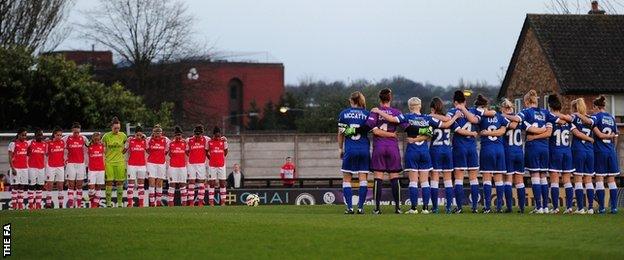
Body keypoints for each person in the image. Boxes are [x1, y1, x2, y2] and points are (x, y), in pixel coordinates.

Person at [396, 97, 459, 214]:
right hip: (447, 151)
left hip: (434, 151)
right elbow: (449, 124)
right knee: (447, 181)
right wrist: (455, 117)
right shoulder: (445, 119)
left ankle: (431, 208)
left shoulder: (429, 117)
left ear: (432, 108)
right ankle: (446, 208)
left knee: (427, 180)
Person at [446, 90, 494, 213]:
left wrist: (460, 109)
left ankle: (459, 207)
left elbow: (456, 129)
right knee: (473, 178)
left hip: (459, 148)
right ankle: (475, 207)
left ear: (455, 102)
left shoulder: (452, 112)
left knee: (458, 178)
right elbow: (477, 119)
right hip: (472, 148)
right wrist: (472, 132)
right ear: (465, 101)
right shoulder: (474, 110)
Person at [365, 88, 405, 214]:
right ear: (390, 98)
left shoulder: (375, 112)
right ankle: (398, 208)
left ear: (379, 99)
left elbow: (372, 129)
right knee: (394, 177)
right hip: (393, 148)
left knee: (378, 177)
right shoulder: (397, 112)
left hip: (379, 147)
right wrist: (392, 135)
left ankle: (376, 209)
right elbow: (406, 126)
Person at [337, 91, 375, 214]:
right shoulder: (367, 114)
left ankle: (349, 208)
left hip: (350, 149)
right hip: (364, 149)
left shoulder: (344, 114)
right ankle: (360, 208)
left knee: (347, 179)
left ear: (351, 101)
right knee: (363, 179)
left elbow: (340, 133)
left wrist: (340, 148)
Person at [518, 90, 552, 214]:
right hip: (545, 148)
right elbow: (549, 132)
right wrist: (542, 130)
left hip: (533, 147)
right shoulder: (545, 112)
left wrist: (534, 135)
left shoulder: (525, 112)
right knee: (543, 177)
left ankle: (539, 207)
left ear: (527, 101)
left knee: (535, 176)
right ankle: (546, 207)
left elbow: (525, 125)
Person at [541, 95, 575, 214]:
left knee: (554, 180)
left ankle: (555, 208)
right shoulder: (567, 119)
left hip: (555, 151)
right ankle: (569, 207)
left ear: (550, 106)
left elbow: (548, 133)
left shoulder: (550, 119)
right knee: (567, 180)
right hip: (567, 151)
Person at [476, 95, 510, 213]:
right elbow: (503, 131)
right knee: (499, 179)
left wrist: (485, 133)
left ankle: (487, 207)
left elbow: (475, 126)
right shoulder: (500, 117)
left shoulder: (480, 117)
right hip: (499, 150)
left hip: (487, 149)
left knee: (486, 179)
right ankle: (499, 207)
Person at [591, 96, 619, 214]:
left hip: (600, 151)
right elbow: (616, 136)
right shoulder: (611, 118)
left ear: (596, 107)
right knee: (611, 180)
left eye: (593, 108)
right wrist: (613, 147)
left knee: (600, 179)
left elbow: (600, 135)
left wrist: (606, 137)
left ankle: (602, 208)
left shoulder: (596, 118)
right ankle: (614, 208)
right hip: (611, 150)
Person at [500, 99, 526, 213]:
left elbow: (511, 126)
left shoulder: (503, 118)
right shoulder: (519, 117)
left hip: (508, 152)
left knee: (508, 180)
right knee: (520, 180)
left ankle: (509, 207)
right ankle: (521, 207)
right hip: (519, 152)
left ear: (503, 108)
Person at [570, 98, 596, 214]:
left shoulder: (574, 118)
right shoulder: (591, 119)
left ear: (575, 108)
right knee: (589, 180)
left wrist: (589, 138)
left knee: (578, 179)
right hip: (590, 152)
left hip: (578, 150)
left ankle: (580, 208)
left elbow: (577, 133)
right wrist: (591, 139)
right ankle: (590, 208)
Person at [102, 117, 128, 207]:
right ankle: (108, 203)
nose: (117, 130)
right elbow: (103, 148)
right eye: (115, 128)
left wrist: (123, 151)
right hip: (109, 162)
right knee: (109, 182)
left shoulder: (123, 135)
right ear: (111, 127)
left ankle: (120, 203)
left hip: (120, 162)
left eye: (118, 128)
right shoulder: (106, 136)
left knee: (120, 182)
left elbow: (126, 145)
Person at [63, 122, 89, 208]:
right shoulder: (67, 138)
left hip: (81, 164)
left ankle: (79, 205)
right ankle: (70, 205)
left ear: (80, 131)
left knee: (79, 185)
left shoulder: (83, 138)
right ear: (72, 131)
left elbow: (90, 145)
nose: (76, 134)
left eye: (78, 132)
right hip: (71, 164)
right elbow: (58, 143)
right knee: (71, 185)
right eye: (75, 132)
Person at [146, 124, 170, 207]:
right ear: (153, 133)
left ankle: (159, 202)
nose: (158, 134)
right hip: (151, 163)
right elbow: (147, 150)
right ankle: (152, 203)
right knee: (152, 183)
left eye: (159, 132)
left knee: (159, 183)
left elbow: (166, 151)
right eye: (156, 132)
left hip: (161, 163)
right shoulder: (149, 139)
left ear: (161, 133)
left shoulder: (166, 140)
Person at [124, 126, 147, 207]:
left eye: (140, 135)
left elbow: (148, 151)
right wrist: (126, 143)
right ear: (135, 134)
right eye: (137, 135)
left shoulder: (144, 141)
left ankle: (141, 204)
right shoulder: (130, 141)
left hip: (142, 165)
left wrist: (146, 139)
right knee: (131, 185)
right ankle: (130, 203)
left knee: (141, 185)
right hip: (132, 165)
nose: (139, 137)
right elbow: (123, 151)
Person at [187, 124, 209, 206]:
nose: (197, 136)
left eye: (199, 134)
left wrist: (223, 139)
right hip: (191, 164)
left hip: (201, 164)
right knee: (191, 182)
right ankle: (191, 202)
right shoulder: (189, 140)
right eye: (196, 134)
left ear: (202, 134)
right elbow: (187, 151)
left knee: (201, 182)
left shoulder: (206, 139)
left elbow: (214, 140)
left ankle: (200, 202)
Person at [8, 128, 29, 210]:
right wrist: (12, 168)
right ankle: (14, 205)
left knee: (22, 186)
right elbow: (10, 156)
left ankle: (20, 205)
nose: (24, 137)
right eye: (23, 135)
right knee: (15, 186)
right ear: (19, 134)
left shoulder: (26, 144)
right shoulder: (13, 143)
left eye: (25, 135)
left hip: (24, 168)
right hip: (16, 168)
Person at [167, 126, 188, 207]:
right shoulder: (170, 143)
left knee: (183, 185)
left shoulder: (185, 143)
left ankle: (184, 204)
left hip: (182, 167)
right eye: (177, 135)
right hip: (173, 167)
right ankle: (170, 203)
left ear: (181, 135)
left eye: (179, 135)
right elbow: (169, 154)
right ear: (174, 135)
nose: (178, 136)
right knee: (172, 185)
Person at [208, 126, 229, 206]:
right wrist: (211, 158)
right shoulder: (210, 142)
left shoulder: (223, 142)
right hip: (212, 165)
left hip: (221, 165)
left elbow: (226, 152)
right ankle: (211, 201)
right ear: (213, 135)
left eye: (219, 135)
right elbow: (206, 152)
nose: (217, 137)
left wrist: (222, 157)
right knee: (212, 183)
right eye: (216, 136)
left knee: (222, 183)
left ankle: (223, 201)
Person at [46, 127, 66, 208]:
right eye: (58, 135)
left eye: (61, 135)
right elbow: (46, 154)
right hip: (51, 166)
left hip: (60, 166)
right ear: (54, 135)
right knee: (49, 185)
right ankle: (48, 204)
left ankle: (61, 205)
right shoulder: (49, 143)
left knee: (60, 186)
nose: (59, 136)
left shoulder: (63, 142)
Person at [27, 128, 47, 209]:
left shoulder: (44, 144)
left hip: (41, 168)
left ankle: (38, 205)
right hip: (32, 168)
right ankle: (31, 205)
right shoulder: (30, 143)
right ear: (35, 135)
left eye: (41, 135)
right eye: (39, 135)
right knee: (32, 186)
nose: (40, 136)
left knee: (40, 186)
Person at [87, 132, 106, 208]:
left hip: (101, 169)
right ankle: (93, 203)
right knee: (91, 188)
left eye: (98, 139)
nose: (97, 141)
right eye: (95, 139)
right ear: (92, 139)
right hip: (92, 170)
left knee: (98, 187)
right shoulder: (89, 147)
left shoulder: (103, 146)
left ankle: (95, 205)